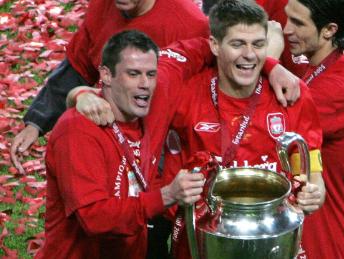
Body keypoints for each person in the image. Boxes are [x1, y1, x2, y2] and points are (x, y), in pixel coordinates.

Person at [160, 1, 325, 258]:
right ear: (215, 45)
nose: (249, 55)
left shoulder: (292, 95)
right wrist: (78, 95)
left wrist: (313, 196)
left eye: (258, 45)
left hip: (271, 242)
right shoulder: (186, 96)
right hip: (204, 242)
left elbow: (313, 176)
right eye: (237, 44)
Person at [36, 30, 207, 259]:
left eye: (151, 74)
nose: (145, 84)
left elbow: (208, 46)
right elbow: (94, 218)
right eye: (133, 74)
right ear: (106, 75)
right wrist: (167, 195)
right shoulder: (78, 131)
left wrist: (270, 67)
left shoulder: (155, 97)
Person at [10, 0, 209, 174]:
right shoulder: (102, 6)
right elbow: (79, 67)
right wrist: (36, 124)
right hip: (108, 130)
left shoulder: (189, 25)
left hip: (164, 145)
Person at [283, 0, 344, 258]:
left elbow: (267, 123)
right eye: (288, 19)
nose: (287, 29)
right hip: (323, 223)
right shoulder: (336, 62)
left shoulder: (338, 87)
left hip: (324, 235)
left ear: (329, 30)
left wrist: (267, 60)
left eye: (298, 23)